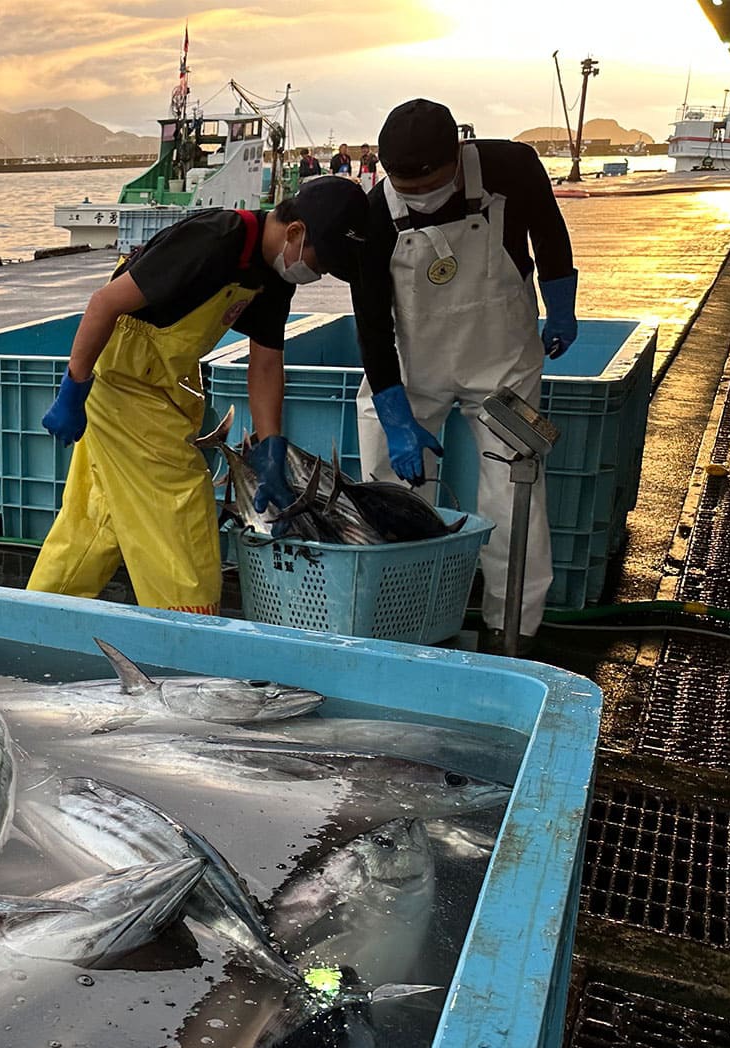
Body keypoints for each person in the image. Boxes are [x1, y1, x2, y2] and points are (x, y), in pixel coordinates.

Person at [28, 177, 371, 612]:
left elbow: (265, 361)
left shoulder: (273, 276)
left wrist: (271, 446)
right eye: (322, 262)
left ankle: (39, 612)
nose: (317, 273)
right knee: (180, 504)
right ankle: (188, 638)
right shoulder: (214, 239)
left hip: (166, 384)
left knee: (97, 515)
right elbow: (105, 303)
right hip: (120, 382)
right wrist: (73, 389)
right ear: (296, 232)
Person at [350, 98, 577, 647]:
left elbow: (549, 232)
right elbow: (372, 323)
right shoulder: (375, 215)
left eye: (428, 180)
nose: (418, 193)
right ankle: (397, 620)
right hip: (413, 366)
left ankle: (512, 630)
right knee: (389, 488)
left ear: (458, 154)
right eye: (403, 184)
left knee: (513, 487)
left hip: (504, 365)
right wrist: (396, 414)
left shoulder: (512, 166)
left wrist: (562, 302)